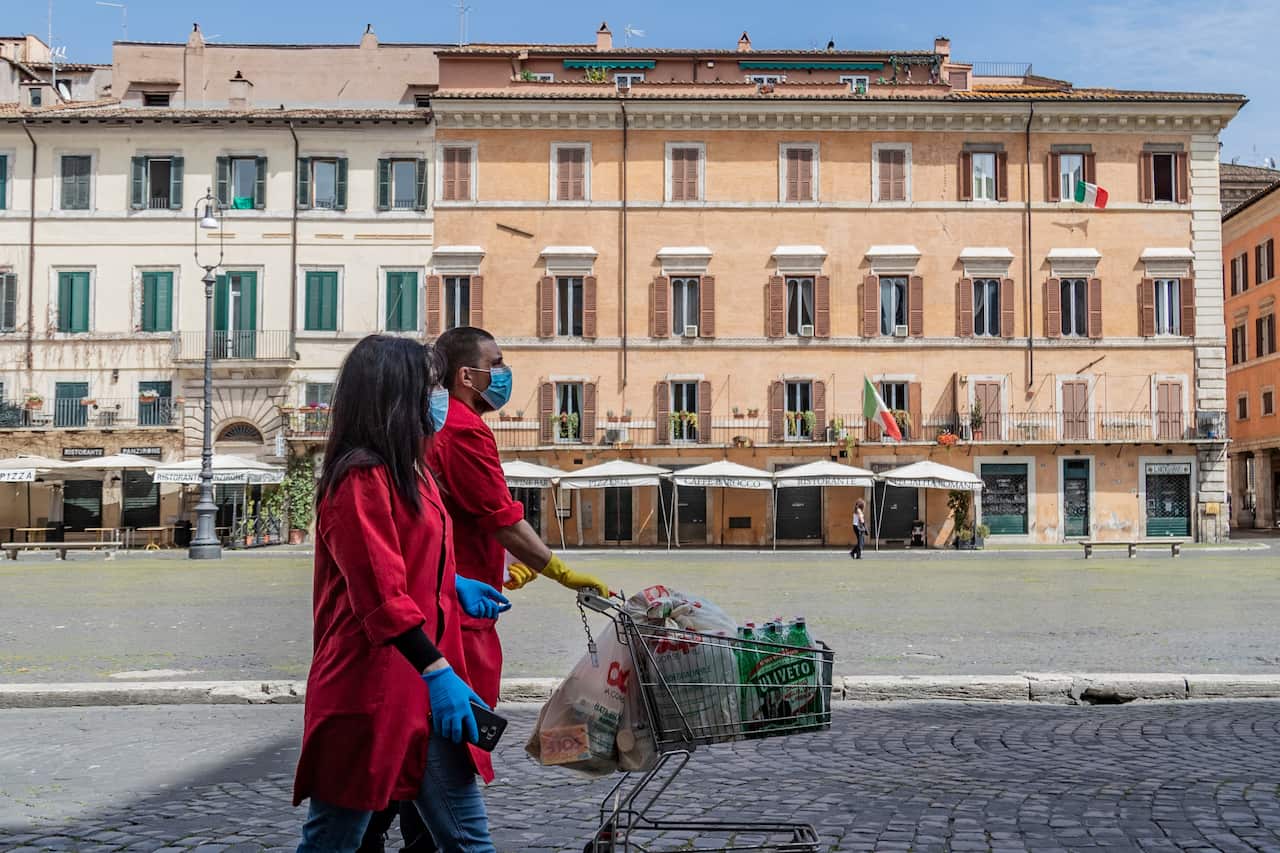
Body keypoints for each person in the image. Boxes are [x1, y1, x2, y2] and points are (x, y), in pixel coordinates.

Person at [294, 335, 510, 853]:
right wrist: (440, 675)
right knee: (333, 840)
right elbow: (379, 595)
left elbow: (406, 555)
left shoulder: (413, 474)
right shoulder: (359, 478)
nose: (438, 396)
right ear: (396, 394)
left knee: (468, 840)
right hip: (372, 688)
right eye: (430, 386)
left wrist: (452, 583)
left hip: (426, 687)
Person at [425, 326, 610, 711]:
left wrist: (508, 560)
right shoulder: (464, 431)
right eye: (495, 364)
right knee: (469, 716)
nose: (504, 371)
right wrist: (560, 572)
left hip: (459, 591)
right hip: (462, 609)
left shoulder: (447, 426)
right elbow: (500, 518)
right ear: (467, 376)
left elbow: (465, 512)